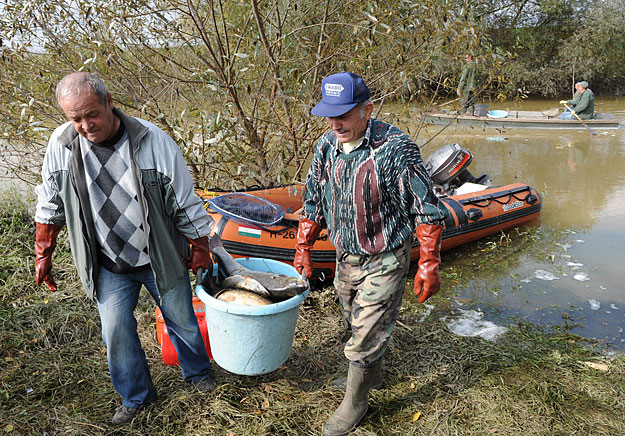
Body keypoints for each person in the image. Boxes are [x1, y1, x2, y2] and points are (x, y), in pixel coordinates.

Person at [34, 72, 216, 425]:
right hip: (108, 261)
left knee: (181, 319)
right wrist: (44, 253)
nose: (85, 125)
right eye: (75, 119)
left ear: (109, 102)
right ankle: (136, 396)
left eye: (92, 114)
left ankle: (198, 376)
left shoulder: (152, 141)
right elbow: (49, 202)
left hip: (158, 256)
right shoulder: (61, 144)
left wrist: (200, 248)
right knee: (114, 331)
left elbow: (184, 202)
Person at [294, 72, 448, 436]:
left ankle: (356, 402)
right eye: (330, 115)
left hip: (385, 256)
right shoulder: (326, 146)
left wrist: (428, 263)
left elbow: (427, 210)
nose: (336, 123)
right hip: (345, 254)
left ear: (367, 110)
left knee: (364, 335)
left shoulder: (395, 149)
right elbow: (314, 198)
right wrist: (303, 247)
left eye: (344, 114)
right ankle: (365, 378)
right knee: (355, 320)